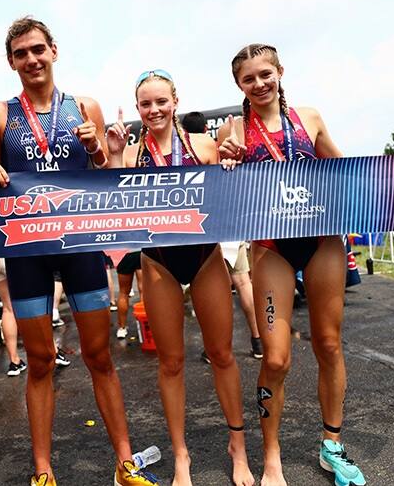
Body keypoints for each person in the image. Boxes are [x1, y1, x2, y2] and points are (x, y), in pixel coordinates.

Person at [216, 43, 394, 486]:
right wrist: (229, 162)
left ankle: (331, 445)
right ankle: (271, 454)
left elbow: (346, 168)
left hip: (322, 240)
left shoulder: (308, 117)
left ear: (280, 72)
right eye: (248, 79)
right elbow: (226, 185)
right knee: (276, 359)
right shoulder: (234, 129)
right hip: (272, 246)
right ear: (239, 84)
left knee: (329, 345)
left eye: (265, 74)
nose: (259, 84)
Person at [0, 17, 157, 486]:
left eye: (38, 49)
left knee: (100, 356)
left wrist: (100, 148)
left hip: (80, 246)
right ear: (11, 61)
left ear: (54, 51)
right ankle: (43, 472)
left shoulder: (84, 106)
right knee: (38, 363)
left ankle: (125, 464)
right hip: (27, 252)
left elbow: (100, 175)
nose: (32, 59)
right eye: (21, 53)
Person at [106, 70, 254, 486]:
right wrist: (116, 156)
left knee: (222, 354)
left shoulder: (203, 145)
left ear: (175, 102)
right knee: (170, 363)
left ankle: (237, 447)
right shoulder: (133, 155)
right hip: (158, 263)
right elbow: (116, 209)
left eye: (160, 102)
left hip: (205, 258)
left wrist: (230, 164)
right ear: (138, 109)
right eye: (145, 104)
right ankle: (181, 457)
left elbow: (232, 193)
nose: (153, 110)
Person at [179, 111, 262, 359]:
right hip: (229, 225)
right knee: (243, 282)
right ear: (206, 128)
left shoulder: (197, 152)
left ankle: (214, 346)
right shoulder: (210, 148)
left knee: (216, 287)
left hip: (209, 229)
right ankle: (257, 340)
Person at [114, 251, 143, 339]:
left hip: (125, 254)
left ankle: (122, 328)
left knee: (123, 293)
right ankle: (146, 326)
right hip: (142, 251)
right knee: (144, 291)